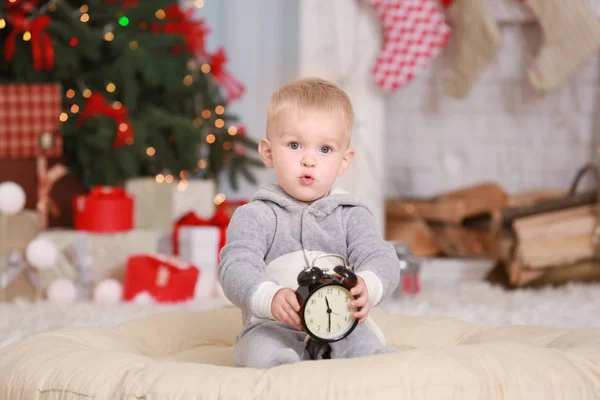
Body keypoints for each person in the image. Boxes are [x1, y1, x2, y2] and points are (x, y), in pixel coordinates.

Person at [218, 77, 401, 368]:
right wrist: (269, 296)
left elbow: (381, 256)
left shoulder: (351, 214)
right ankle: (286, 373)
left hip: (341, 324)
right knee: (256, 349)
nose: (309, 160)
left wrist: (367, 285)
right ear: (268, 153)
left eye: (325, 149)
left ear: (344, 161)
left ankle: (374, 369)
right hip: (274, 326)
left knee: (365, 347)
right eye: (294, 145)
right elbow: (235, 265)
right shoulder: (256, 215)